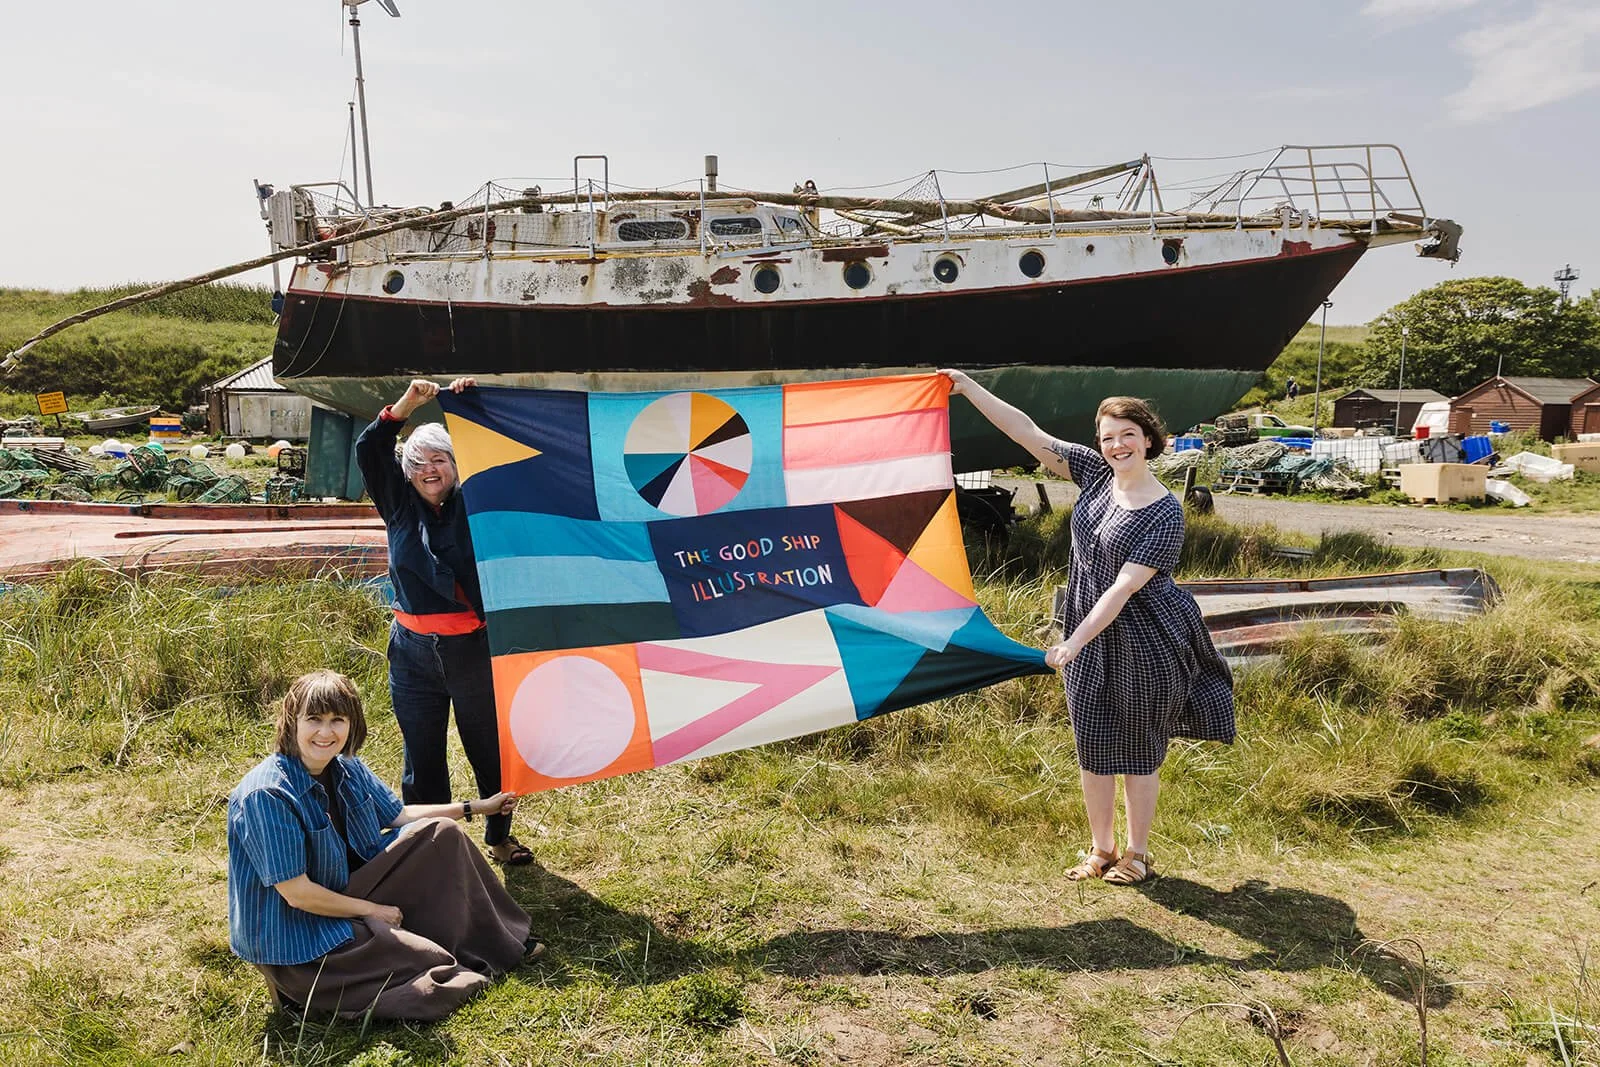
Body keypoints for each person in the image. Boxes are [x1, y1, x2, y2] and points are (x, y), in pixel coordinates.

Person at [942, 371, 1235, 885]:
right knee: (1093, 745)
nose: (1117, 445)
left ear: (1148, 439)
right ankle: (1102, 850)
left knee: (1139, 750)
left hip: (1146, 640)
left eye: (1127, 435)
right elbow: (1027, 432)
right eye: (1107, 437)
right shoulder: (1097, 475)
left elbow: (1122, 589)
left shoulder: (1165, 512)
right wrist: (967, 387)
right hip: (1087, 636)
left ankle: (1137, 855)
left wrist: (1072, 642)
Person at [227, 670, 542, 1020]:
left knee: (442, 833)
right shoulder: (267, 794)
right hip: (299, 933)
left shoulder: (345, 766)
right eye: (314, 719)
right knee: (428, 973)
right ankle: (303, 992)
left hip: (344, 889)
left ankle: (497, 941)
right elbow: (297, 894)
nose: (326, 732)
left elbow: (399, 815)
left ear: (352, 724)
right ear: (292, 720)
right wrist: (371, 910)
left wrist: (475, 807)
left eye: (337, 720)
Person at [356, 378, 534, 866]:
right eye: (418, 463)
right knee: (422, 754)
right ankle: (431, 847)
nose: (428, 469)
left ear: (458, 465)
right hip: (411, 652)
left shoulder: (479, 502)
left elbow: (515, 459)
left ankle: (499, 837)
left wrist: (473, 405)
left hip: (473, 650)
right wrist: (407, 405)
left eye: (439, 459)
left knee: (489, 750)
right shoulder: (397, 504)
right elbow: (370, 449)